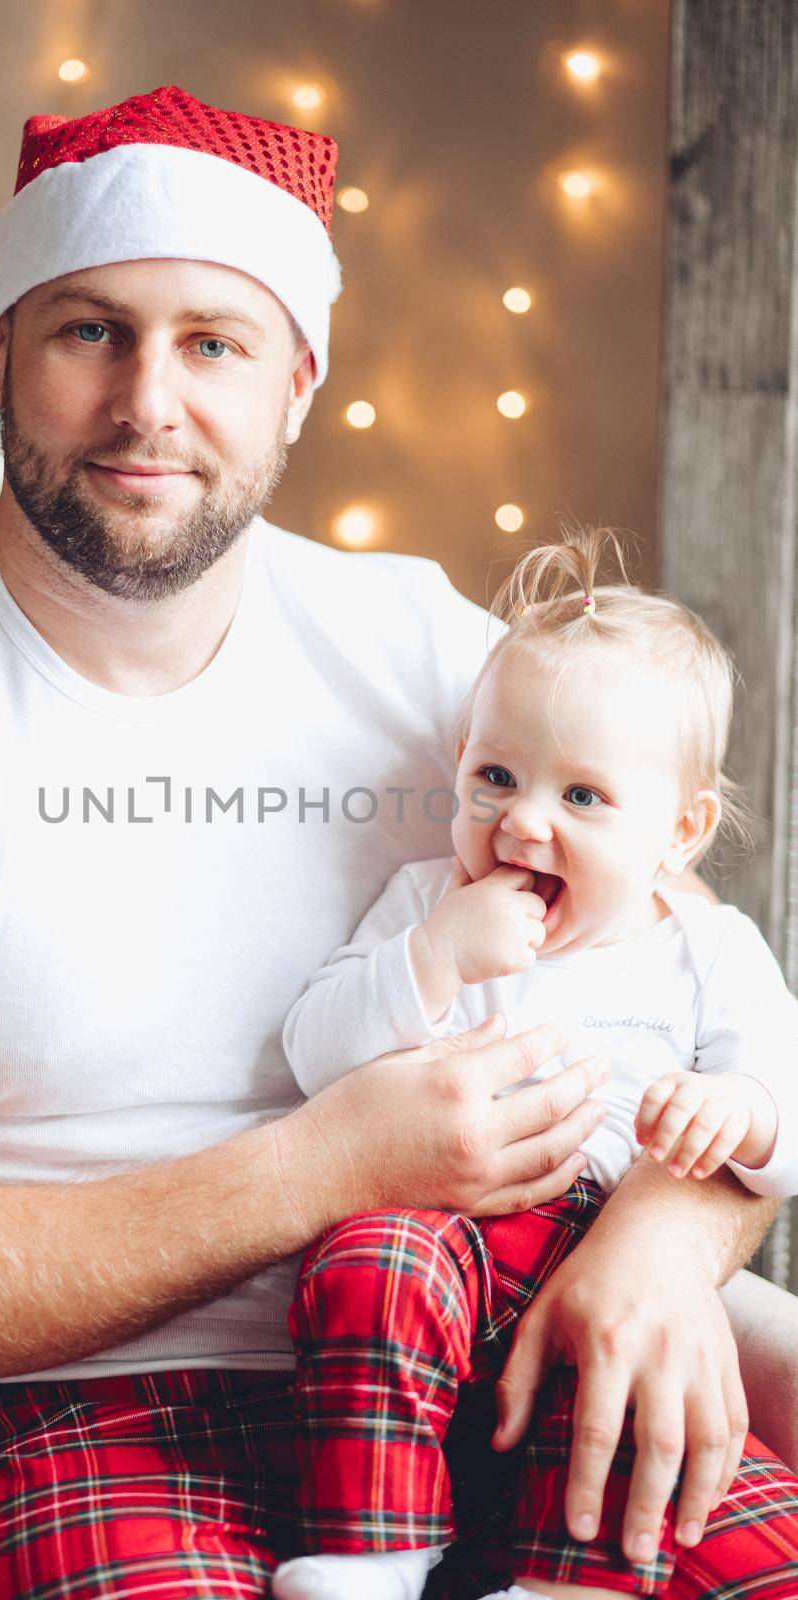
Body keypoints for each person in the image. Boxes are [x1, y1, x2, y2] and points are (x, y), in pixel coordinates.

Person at [0, 86, 784, 1600]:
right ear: (3, 359)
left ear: (296, 380)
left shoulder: (425, 653)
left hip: (485, 1351)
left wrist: (658, 1249)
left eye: (211, 342)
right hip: (68, 1417)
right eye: (89, 330)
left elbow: (675, 961)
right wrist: (322, 1165)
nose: (149, 402)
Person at [273, 525, 798, 1600]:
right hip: (441, 1236)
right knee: (369, 1261)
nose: (519, 821)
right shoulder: (428, 903)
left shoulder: (705, 951)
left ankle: (567, 1582)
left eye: (581, 798)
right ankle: (370, 1556)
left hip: (592, 1246)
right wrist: (428, 960)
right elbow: (312, 1054)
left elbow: (786, 1123)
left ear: (678, 831)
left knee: (626, 1373)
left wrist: (735, 1109)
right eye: (496, 775)